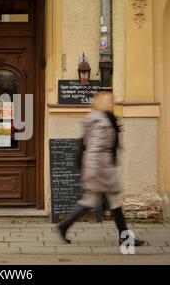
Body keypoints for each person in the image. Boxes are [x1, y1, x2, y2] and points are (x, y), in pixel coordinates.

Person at [57, 92, 145, 247]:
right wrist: (90, 173)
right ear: (104, 103)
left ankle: (65, 225)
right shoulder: (101, 123)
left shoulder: (107, 120)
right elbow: (93, 149)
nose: (114, 104)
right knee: (110, 201)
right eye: (111, 102)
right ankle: (124, 237)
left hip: (103, 168)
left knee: (94, 201)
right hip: (100, 169)